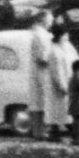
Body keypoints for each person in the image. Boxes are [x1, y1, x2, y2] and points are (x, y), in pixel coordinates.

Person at [26, 8, 56, 141]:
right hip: (41, 72)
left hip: (41, 72)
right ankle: (39, 132)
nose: (51, 21)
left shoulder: (42, 34)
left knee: (39, 102)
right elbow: (41, 57)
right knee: (40, 102)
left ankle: (40, 131)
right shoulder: (39, 35)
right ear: (43, 19)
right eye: (50, 19)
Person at [46, 24, 78, 140]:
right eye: (65, 35)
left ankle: (55, 134)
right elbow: (57, 72)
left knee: (60, 112)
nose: (67, 37)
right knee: (61, 111)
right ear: (60, 36)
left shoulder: (59, 49)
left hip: (62, 85)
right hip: (59, 87)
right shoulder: (55, 52)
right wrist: (63, 86)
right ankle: (69, 134)